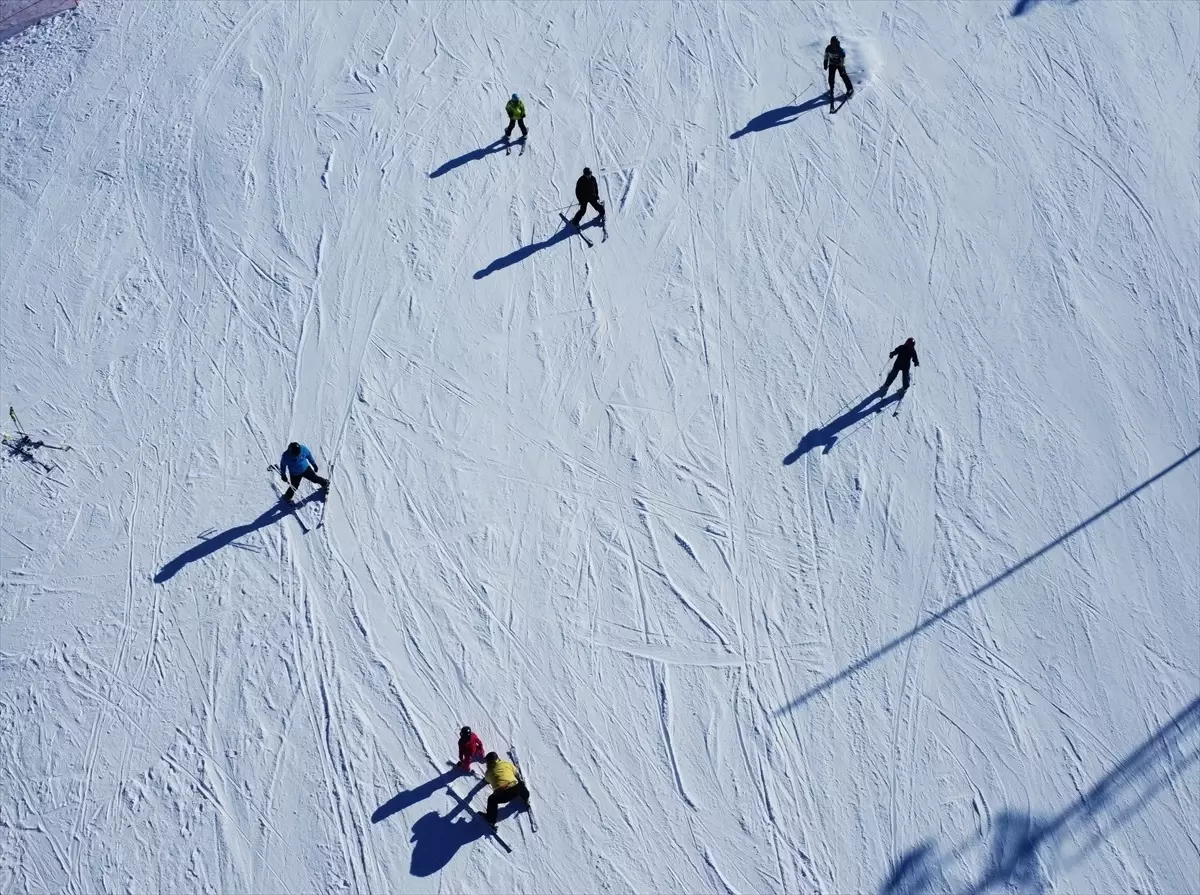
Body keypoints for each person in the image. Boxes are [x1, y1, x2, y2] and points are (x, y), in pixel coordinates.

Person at [482, 751, 529, 826]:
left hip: (503, 795)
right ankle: (526, 797)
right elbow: (516, 773)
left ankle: (491, 820)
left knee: (492, 799)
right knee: (519, 782)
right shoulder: (505, 763)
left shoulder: (488, 772)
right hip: (516, 789)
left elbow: (487, 780)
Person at [823, 36, 853, 100]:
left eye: (834, 43)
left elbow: (842, 61)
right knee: (831, 77)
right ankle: (831, 90)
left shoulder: (840, 51)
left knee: (843, 75)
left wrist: (841, 67)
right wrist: (825, 64)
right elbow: (826, 56)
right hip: (832, 64)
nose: (832, 45)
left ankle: (850, 89)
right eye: (831, 43)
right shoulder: (828, 48)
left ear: (836, 43)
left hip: (839, 64)